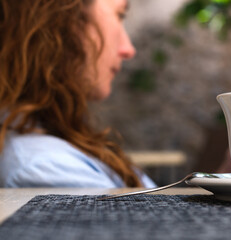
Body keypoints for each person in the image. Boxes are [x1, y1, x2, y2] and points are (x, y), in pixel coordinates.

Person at [0, 0, 156, 188]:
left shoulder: (50, 138)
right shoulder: (47, 168)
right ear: (65, 21)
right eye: (120, 15)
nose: (128, 50)